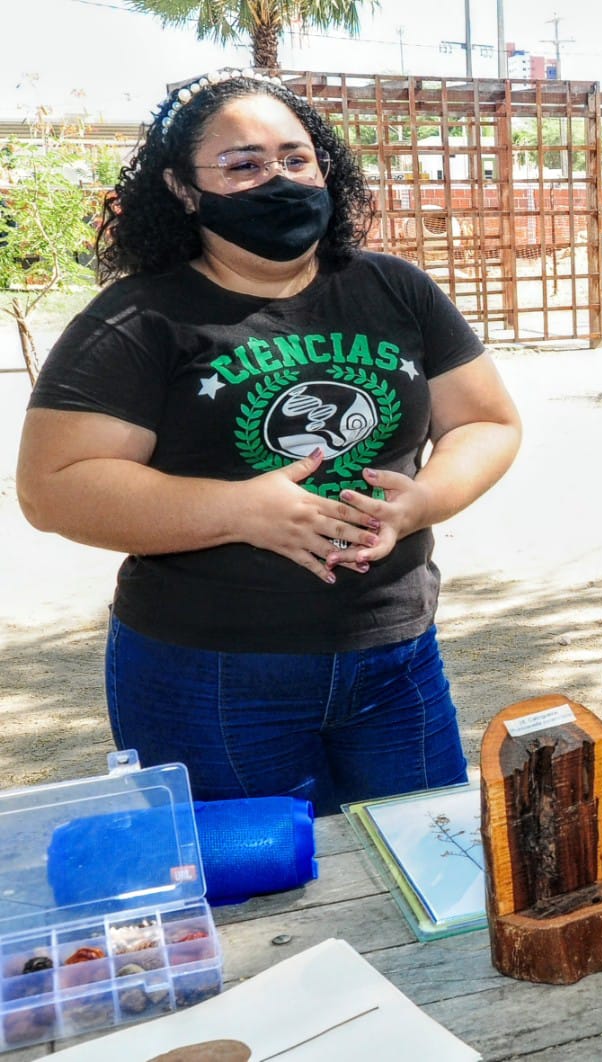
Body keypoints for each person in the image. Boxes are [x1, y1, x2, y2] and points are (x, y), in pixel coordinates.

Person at [16, 69, 522, 815]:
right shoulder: (139, 316)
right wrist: (243, 511)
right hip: (211, 676)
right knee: (259, 906)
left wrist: (423, 500)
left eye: (295, 158)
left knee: (428, 863)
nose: (277, 179)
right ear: (184, 190)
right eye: (243, 165)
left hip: (395, 657)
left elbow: (486, 421)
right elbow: (53, 486)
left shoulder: (396, 289)